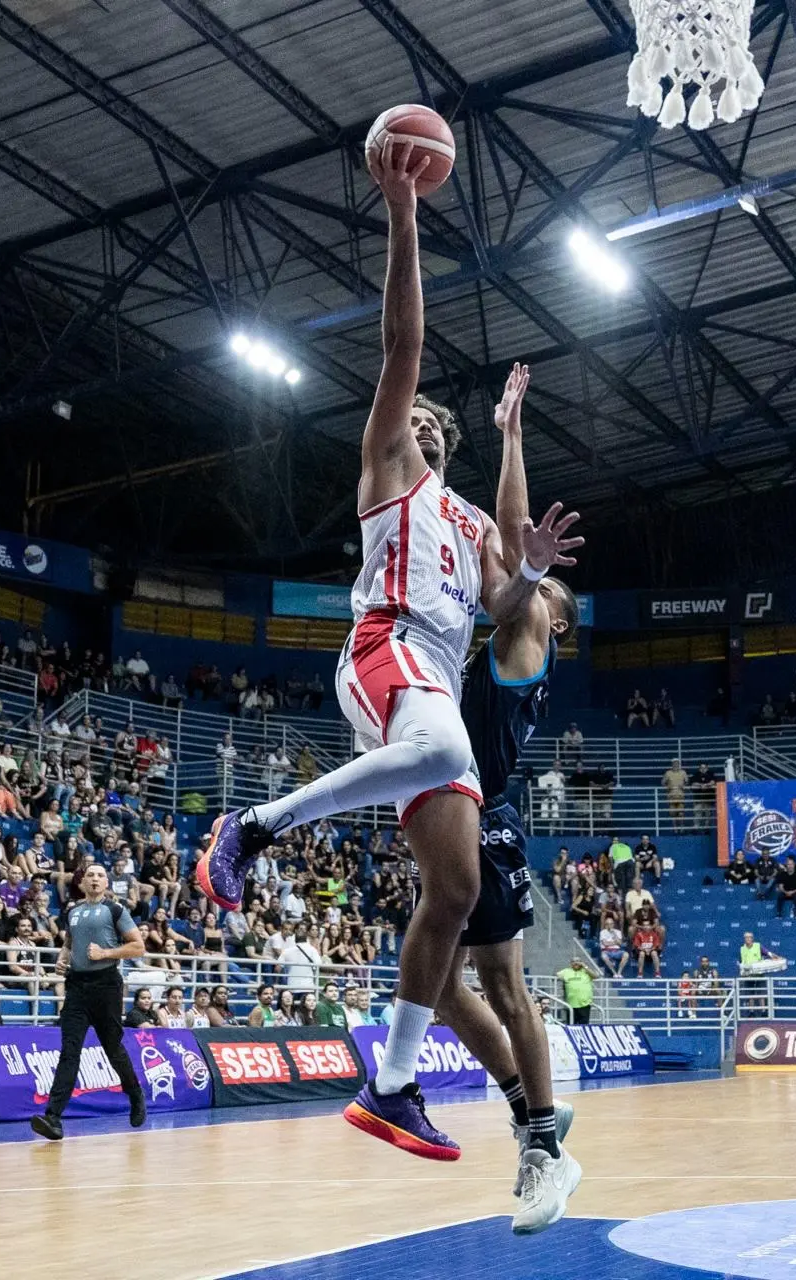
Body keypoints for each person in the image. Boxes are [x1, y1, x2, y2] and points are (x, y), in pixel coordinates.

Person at [198, 141, 582, 1163]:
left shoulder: (460, 518)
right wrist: (404, 211)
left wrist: (528, 566)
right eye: (398, 414)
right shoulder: (387, 473)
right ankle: (255, 824)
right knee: (445, 749)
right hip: (386, 651)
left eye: (420, 420)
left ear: (439, 440)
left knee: (452, 896)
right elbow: (401, 345)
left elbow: (501, 603)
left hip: (432, 681)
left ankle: (393, 1082)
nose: (405, 417)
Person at [422, 366, 581, 1231]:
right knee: (445, 988)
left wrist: (514, 440)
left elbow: (517, 547)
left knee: (505, 989)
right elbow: (505, 559)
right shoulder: (509, 637)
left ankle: (545, 1150)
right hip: (453, 812)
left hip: (486, 823)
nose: (528, 590)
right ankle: (534, 1116)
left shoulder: (527, 640)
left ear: (556, 624)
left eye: (544, 593)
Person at [30, 865, 147, 1141]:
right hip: (77, 987)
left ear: (106, 882)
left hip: (106, 986)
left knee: (113, 1049)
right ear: (82, 882)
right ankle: (53, 1118)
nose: (94, 879)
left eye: (100, 875)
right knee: (69, 1052)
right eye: (90, 875)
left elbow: (138, 947)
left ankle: (135, 1094)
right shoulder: (73, 912)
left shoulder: (115, 910)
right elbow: (69, 945)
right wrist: (62, 959)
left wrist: (106, 952)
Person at [557, 957, 597, 1025]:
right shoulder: (566, 971)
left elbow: (595, 976)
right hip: (571, 1005)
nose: (576, 963)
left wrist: (585, 966)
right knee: (571, 1025)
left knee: (584, 1025)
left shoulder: (586, 971)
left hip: (584, 1004)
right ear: (571, 963)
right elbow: (555, 976)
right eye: (573, 961)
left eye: (578, 961)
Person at [662, 759, 688, 826]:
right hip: (671, 796)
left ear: (679, 764)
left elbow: (687, 782)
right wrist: (668, 786)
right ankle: (675, 829)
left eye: (677, 763)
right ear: (672, 764)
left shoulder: (683, 772)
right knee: (673, 813)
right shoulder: (668, 773)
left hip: (680, 795)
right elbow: (662, 783)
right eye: (674, 763)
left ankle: (682, 829)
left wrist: (683, 785)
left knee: (681, 813)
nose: (676, 765)